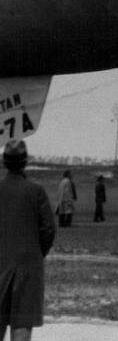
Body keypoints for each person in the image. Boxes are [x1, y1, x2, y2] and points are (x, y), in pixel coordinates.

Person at [0, 140, 56, 341]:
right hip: (28, 268)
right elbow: (48, 230)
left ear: (4, 162)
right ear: (25, 161)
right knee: (21, 325)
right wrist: (34, 253)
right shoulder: (36, 191)